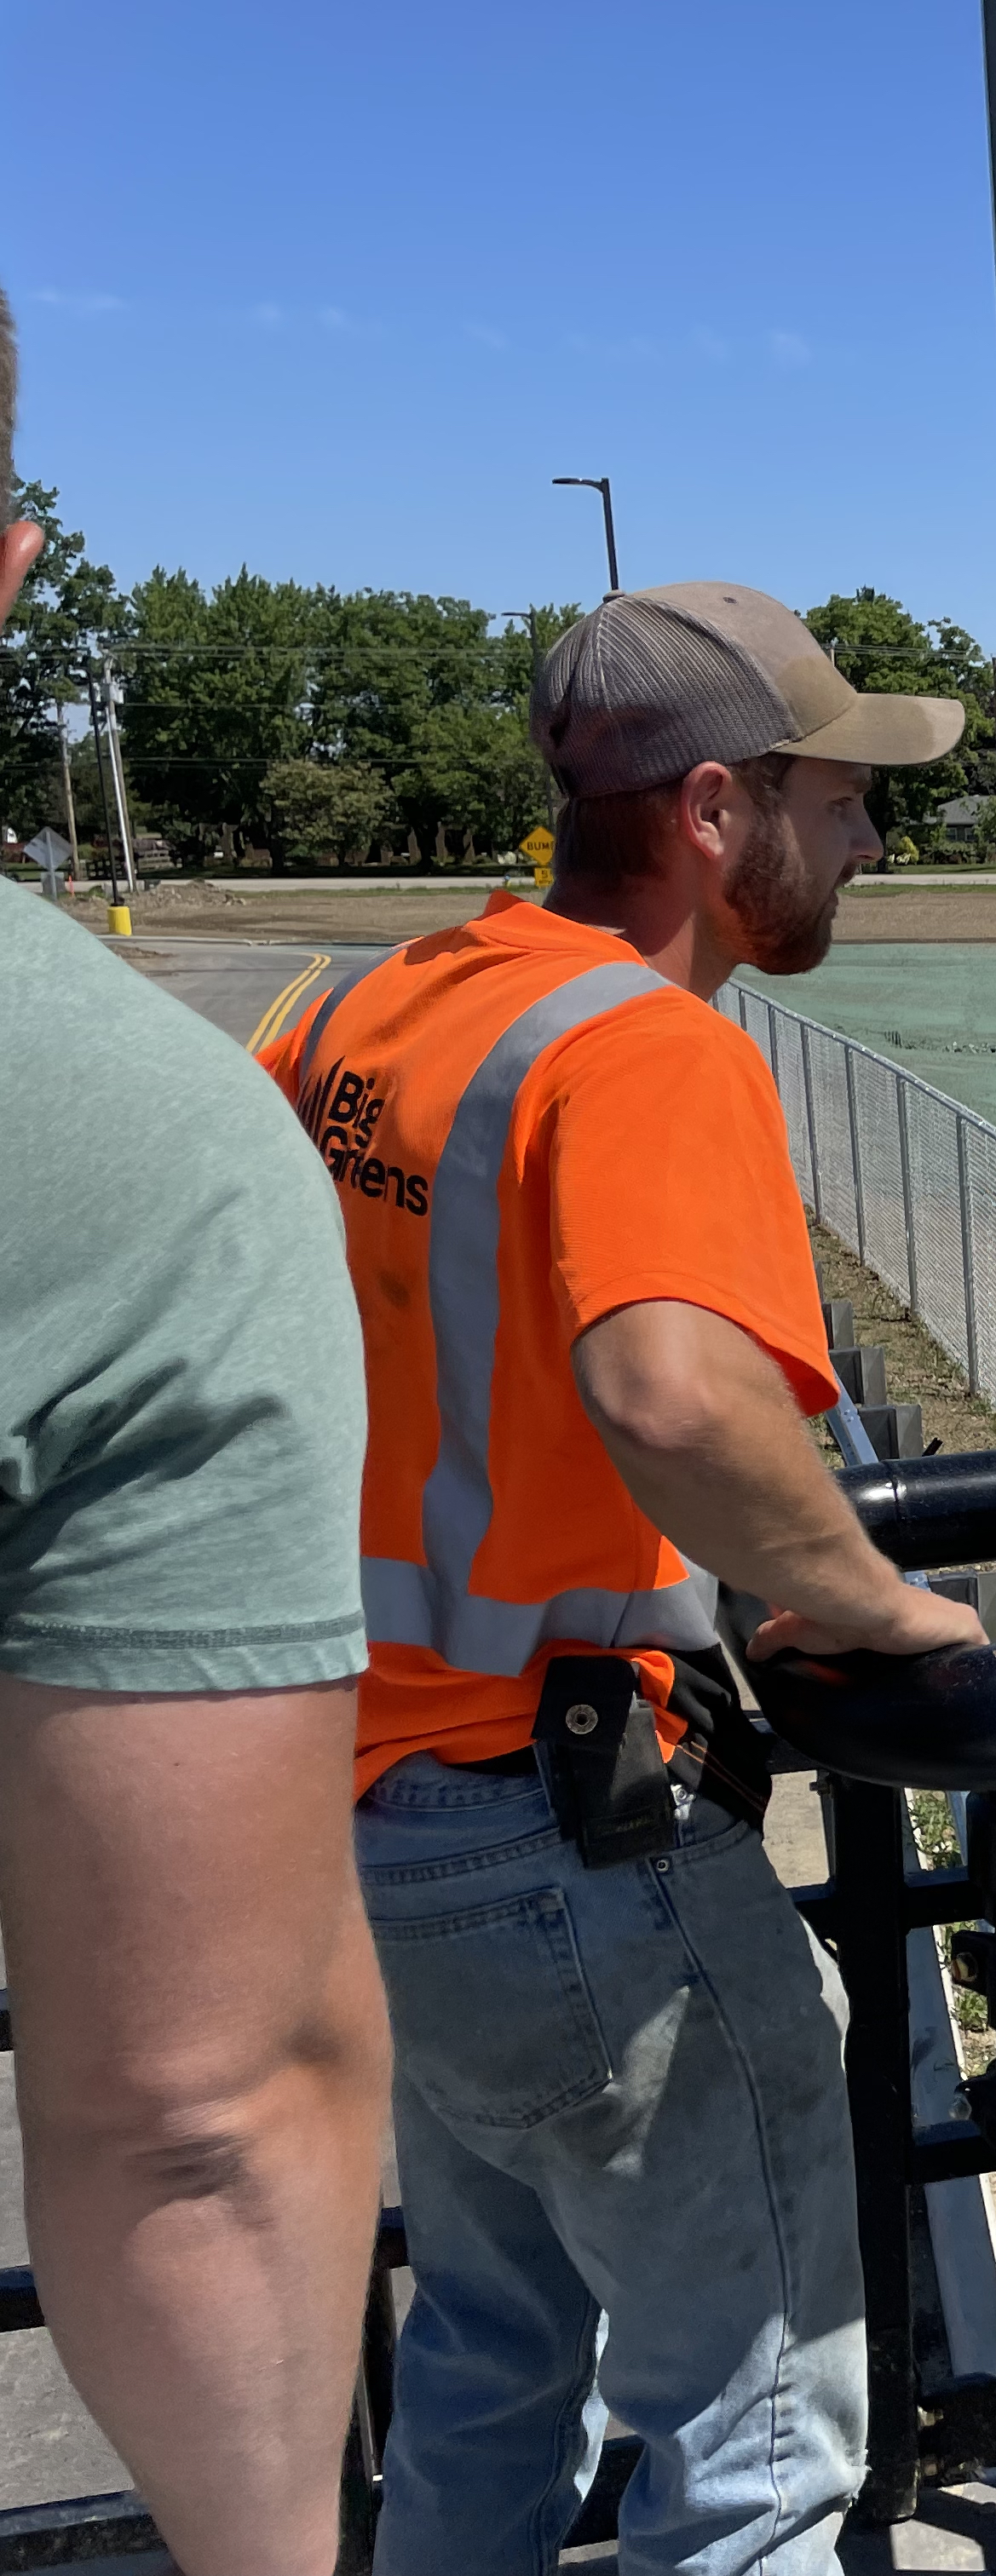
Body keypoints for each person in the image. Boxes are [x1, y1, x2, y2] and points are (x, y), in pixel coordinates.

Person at [265, 583, 985, 2575]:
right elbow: (668, 1394)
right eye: (844, 801)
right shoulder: (644, 1051)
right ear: (712, 813)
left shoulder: (349, 1014)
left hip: (364, 1836)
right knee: (754, 2456)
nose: (871, 843)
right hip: (571, 1849)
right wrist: (873, 1601)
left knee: (486, 2376)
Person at [0, 285, 396, 2576]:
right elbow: (188, 2108)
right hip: (504, 1795)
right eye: (849, 799)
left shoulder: (393, 1013)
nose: (862, 839)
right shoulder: (122, 1145)